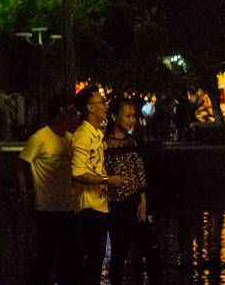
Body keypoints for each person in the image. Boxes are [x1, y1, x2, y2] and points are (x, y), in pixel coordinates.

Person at [17, 94, 80, 284]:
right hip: (45, 208)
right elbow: (20, 166)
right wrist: (25, 195)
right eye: (72, 111)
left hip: (68, 207)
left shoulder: (70, 139)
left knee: (69, 255)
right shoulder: (40, 138)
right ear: (61, 111)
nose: (76, 115)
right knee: (47, 253)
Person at [71, 87, 127, 285]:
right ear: (90, 107)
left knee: (96, 259)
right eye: (101, 102)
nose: (105, 106)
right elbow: (77, 173)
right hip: (88, 207)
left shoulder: (95, 134)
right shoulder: (83, 135)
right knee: (92, 260)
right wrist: (107, 180)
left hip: (100, 204)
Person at [104, 97, 162, 284]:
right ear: (114, 116)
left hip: (136, 203)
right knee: (120, 253)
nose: (132, 120)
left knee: (152, 251)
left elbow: (139, 171)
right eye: (127, 116)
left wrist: (143, 199)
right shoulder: (105, 145)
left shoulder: (132, 141)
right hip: (117, 206)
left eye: (134, 116)